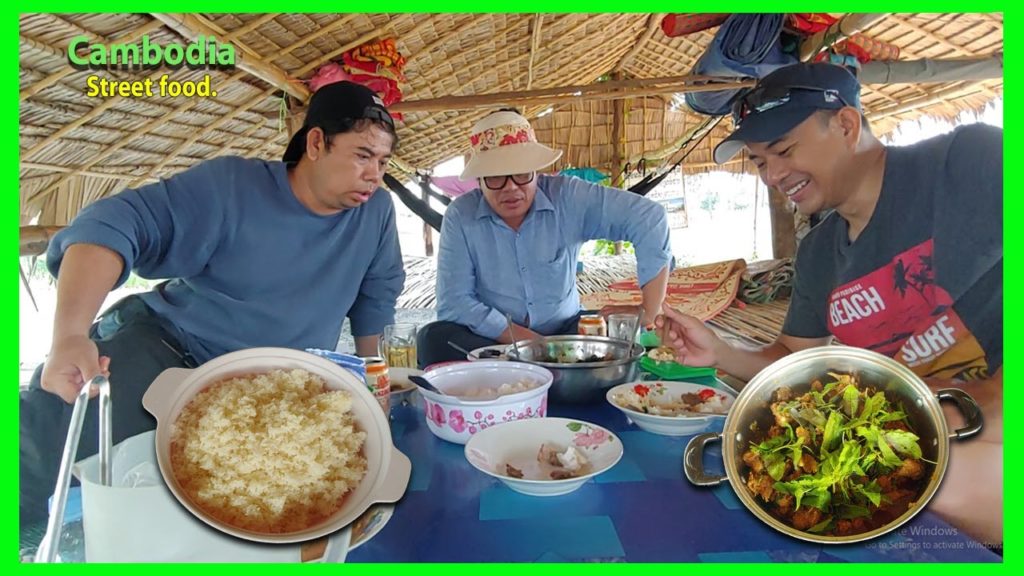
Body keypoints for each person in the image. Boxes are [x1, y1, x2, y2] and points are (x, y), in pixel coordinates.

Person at [20, 81, 406, 524]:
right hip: (165, 356)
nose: (375, 174)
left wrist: (373, 381)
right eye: (362, 155)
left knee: (222, 517)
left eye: (382, 161)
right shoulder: (231, 188)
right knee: (43, 467)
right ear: (316, 142)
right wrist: (69, 336)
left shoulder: (376, 213)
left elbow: (377, 294)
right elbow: (111, 227)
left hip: (269, 397)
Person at [656, 62, 1002, 546]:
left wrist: (992, 399)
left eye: (783, 150)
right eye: (758, 162)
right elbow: (792, 362)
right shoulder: (820, 252)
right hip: (911, 447)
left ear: (845, 125)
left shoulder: (969, 162)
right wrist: (719, 351)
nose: (773, 175)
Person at [416, 109, 673, 368]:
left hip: (566, 333)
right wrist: (534, 347)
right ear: (479, 181)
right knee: (433, 338)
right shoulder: (461, 215)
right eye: (495, 177)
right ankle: (558, 373)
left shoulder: (568, 197)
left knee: (610, 336)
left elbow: (650, 218)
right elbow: (456, 303)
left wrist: (648, 310)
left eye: (522, 173)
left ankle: (542, 375)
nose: (511, 187)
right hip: (496, 342)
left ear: (537, 171)